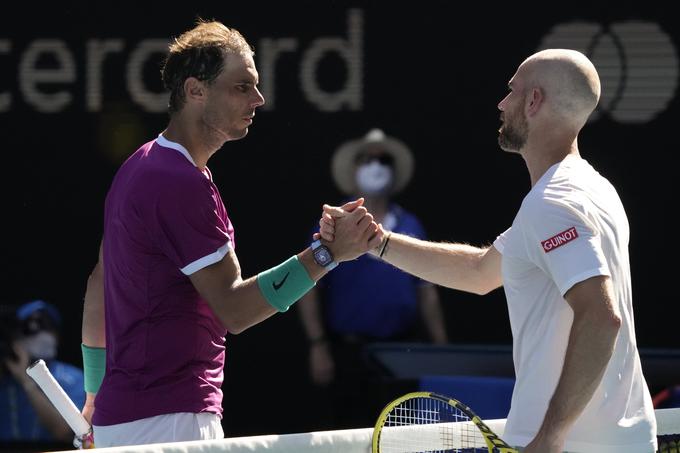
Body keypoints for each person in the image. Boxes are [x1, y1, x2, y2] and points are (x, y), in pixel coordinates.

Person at [319, 49, 657, 452]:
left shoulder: (555, 202)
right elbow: (480, 272)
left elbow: (601, 318)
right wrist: (376, 243)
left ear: (533, 102)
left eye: (511, 90)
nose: (501, 103)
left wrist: (547, 439)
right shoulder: (592, 190)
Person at [80, 19, 380, 448]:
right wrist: (327, 255)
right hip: (174, 422)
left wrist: (94, 395)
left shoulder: (138, 167)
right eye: (241, 86)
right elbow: (234, 311)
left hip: (123, 418)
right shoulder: (179, 183)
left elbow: (98, 284)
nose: (258, 99)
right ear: (195, 91)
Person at [298, 128, 448, 429]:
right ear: (354, 170)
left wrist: (442, 352)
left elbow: (426, 291)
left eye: (383, 160)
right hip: (349, 357)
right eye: (367, 159)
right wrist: (318, 344)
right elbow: (307, 287)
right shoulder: (333, 224)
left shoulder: (411, 224)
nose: (375, 166)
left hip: (402, 354)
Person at [0, 300, 85, 443]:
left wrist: (26, 380)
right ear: (16, 337)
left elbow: (65, 433)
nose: (42, 334)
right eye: (31, 328)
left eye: (49, 327)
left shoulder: (74, 378)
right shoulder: (5, 375)